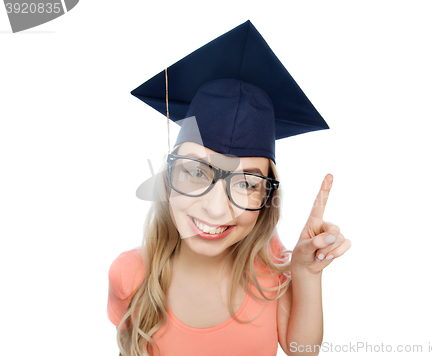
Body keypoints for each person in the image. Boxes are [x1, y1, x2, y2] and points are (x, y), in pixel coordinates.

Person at [107, 21, 352, 356]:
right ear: (166, 177)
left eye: (248, 184)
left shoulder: (270, 264)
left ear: (267, 200)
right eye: (195, 172)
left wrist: (305, 274)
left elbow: (301, 351)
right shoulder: (131, 274)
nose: (217, 209)